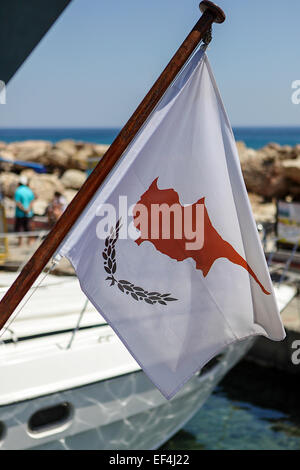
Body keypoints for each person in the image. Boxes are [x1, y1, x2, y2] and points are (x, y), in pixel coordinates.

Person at [14, 176, 35, 246]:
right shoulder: (29, 190)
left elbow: (18, 202)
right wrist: (28, 209)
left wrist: (23, 210)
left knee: (20, 228)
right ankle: (29, 242)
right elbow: (32, 201)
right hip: (29, 213)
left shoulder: (18, 191)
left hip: (20, 213)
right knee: (29, 227)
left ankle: (20, 243)